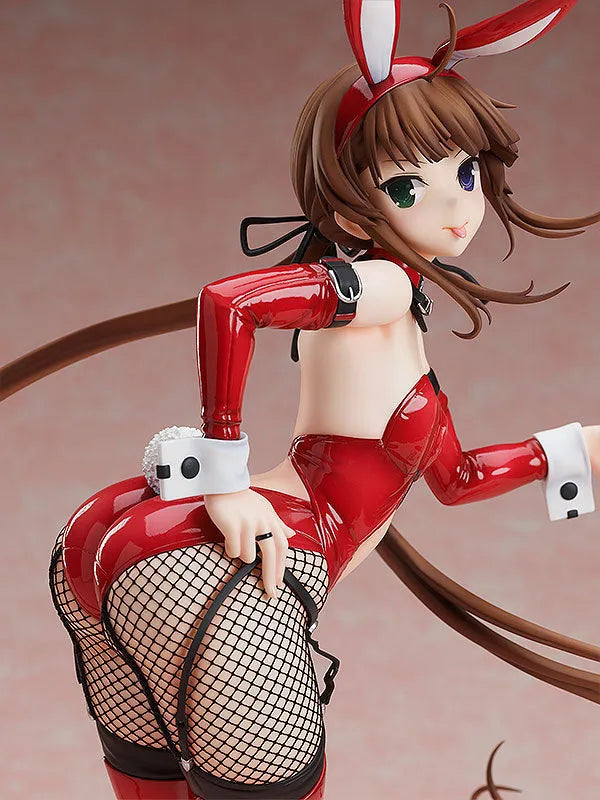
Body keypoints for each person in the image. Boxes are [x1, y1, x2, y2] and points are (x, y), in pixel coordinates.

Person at [4, 1, 599, 798]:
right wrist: (224, 477)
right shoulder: (381, 286)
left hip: (107, 540)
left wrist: (574, 451)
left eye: (465, 175)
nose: (458, 209)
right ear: (353, 197)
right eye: (409, 186)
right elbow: (230, 301)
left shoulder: (383, 299)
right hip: (257, 563)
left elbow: (455, 480)